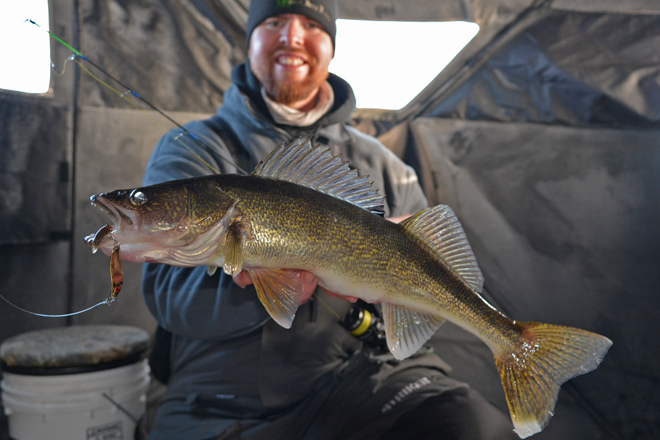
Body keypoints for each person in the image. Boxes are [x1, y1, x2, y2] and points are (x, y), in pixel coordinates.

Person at [142, 1, 517, 439]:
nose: (292, 37)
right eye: (274, 22)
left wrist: (391, 273)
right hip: (220, 398)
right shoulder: (192, 149)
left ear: (331, 47)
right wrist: (249, 278)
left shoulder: (383, 165)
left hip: (358, 380)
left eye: (311, 25)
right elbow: (166, 295)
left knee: (471, 427)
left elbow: (426, 292)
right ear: (250, 41)